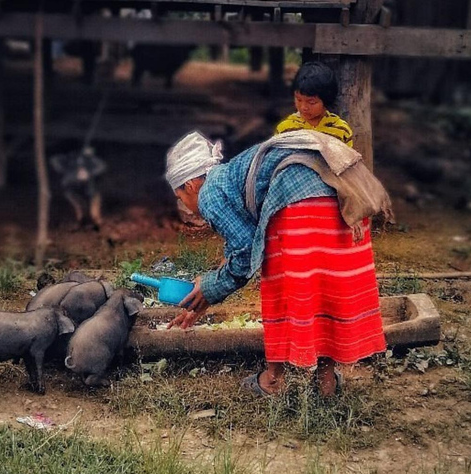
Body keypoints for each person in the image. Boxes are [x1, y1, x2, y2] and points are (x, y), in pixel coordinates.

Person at [165, 131, 391, 397]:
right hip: (343, 196)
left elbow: (247, 251)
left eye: (181, 198)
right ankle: (325, 379)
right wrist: (209, 293)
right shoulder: (230, 177)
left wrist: (211, 287)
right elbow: (239, 245)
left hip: (297, 202)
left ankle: (273, 379)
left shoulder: (209, 193)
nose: (188, 209)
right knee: (327, 287)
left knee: (279, 284)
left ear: (191, 184)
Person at [275, 61, 354, 148]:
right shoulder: (285, 129)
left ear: (327, 99)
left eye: (311, 102)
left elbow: (348, 160)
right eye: (299, 99)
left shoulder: (341, 130)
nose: (303, 107)